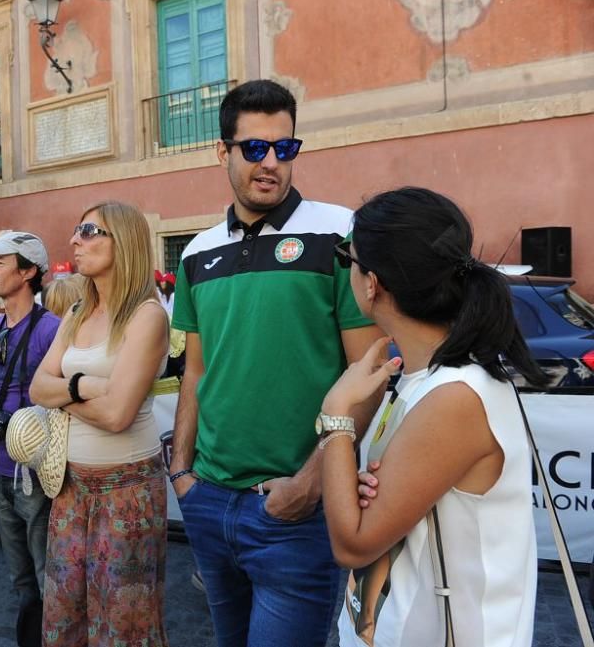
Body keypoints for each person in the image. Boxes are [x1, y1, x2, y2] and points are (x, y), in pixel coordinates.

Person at [168, 79, 383, 647]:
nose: (271, 163)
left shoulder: (339, 231)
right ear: (223, 150)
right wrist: (182, 475)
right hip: (209, 501)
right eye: (255, 148)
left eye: (285, 149)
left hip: (296, 511)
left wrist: (311, 484)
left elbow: (369, 375)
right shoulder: (195, 253)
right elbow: (196, 371)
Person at [317, 187, 545, 647]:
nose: (348, 272)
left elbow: (352, 544)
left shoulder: (456, 396)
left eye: (349, 259)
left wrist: (336, 416)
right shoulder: (429, 379)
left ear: (372, 282)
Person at [30, 202, 171, 647]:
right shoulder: (75, 313)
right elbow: (37, 388)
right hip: (69, 487)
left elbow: (117, 416)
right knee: (63, 617)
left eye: (90, 231)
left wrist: (64, 392)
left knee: (123, 626)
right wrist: (88, 385)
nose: (75, 240)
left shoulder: (147, 316)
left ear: (124, 242)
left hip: (126, 491)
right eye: (76, 229)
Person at [0, 231, 60, 647]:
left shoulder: (52, 330)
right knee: (20, 575)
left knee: (48, 573)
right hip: (0, 467)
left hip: (38, 470)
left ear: (28, 272)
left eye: (0, 262)